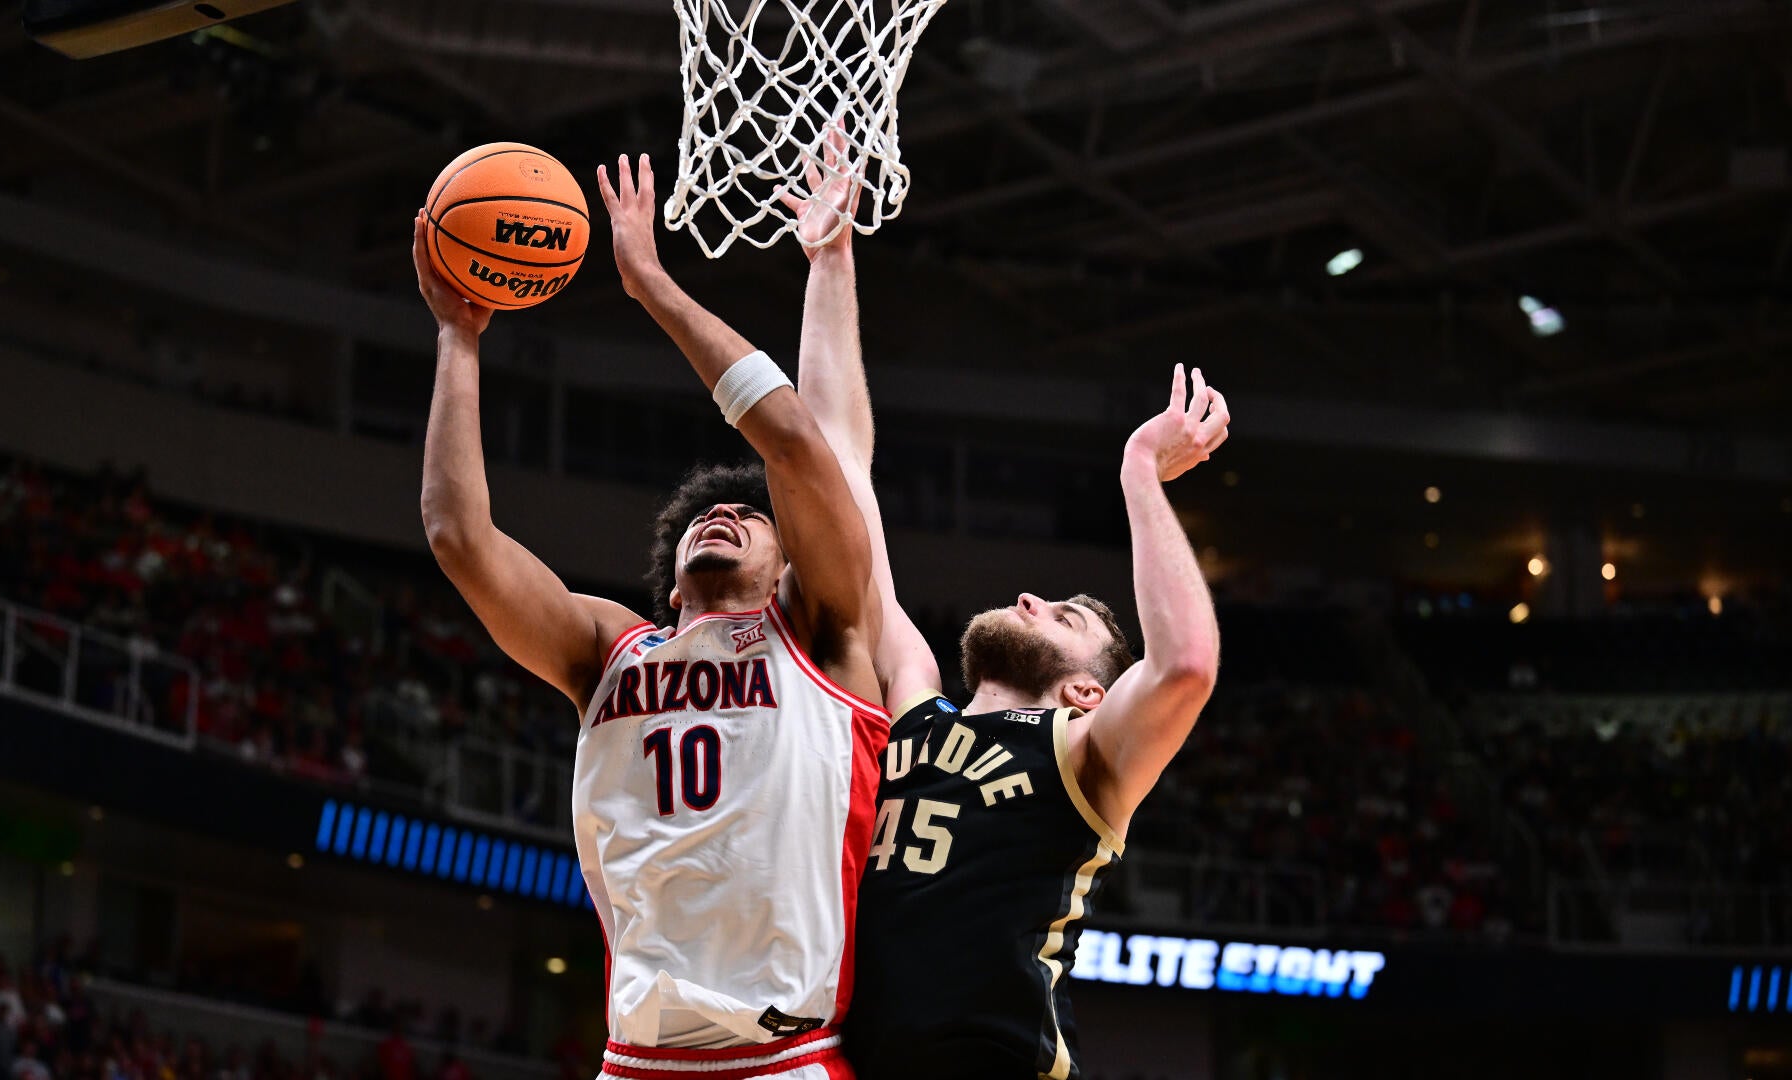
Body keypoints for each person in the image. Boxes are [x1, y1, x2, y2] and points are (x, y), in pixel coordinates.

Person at [412, 151, 885, 1079]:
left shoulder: (824, 632)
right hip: (636, 1059)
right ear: (670, 585)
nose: (724, 515)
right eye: (705, 515)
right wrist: (458, 337)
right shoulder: (608, 650)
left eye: (750, 516)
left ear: (790, 566)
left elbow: (792, 441)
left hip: (785, 1057)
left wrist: (651, 285)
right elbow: (458, 536)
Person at [777, 137, 1225, 1079]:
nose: (1030, 596)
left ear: (1086, 692)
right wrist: (830, 263)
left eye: (1064, 615)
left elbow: (1185, 663)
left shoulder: (1084, 756)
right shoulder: (911, 703)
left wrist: (1140, 472)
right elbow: (839, 471)